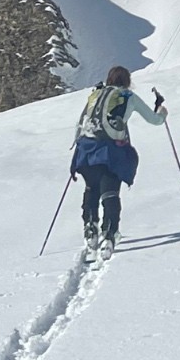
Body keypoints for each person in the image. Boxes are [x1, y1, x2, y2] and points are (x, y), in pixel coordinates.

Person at [70, 65, 167, 254]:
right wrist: (162, 112)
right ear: (127, 81)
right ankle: (110, 233)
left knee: (91, 188)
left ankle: (91, 229)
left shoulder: (95, 95)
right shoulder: (128, 96)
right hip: (111, 151)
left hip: (87, 149)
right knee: (110, 192)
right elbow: (154, 120)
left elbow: (81, 122)